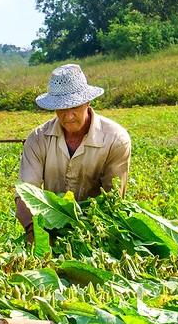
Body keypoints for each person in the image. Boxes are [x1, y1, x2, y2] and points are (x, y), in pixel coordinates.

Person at [15, 64, 131, 241]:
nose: (68, 116)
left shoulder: (115, 139)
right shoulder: (38, 139)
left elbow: (113, 200)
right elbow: (26, 194)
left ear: (87, 102)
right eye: (61, 108)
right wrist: (33, 232)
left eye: (74, 106)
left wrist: (91, 235)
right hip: (49, 229)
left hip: (97, 229)